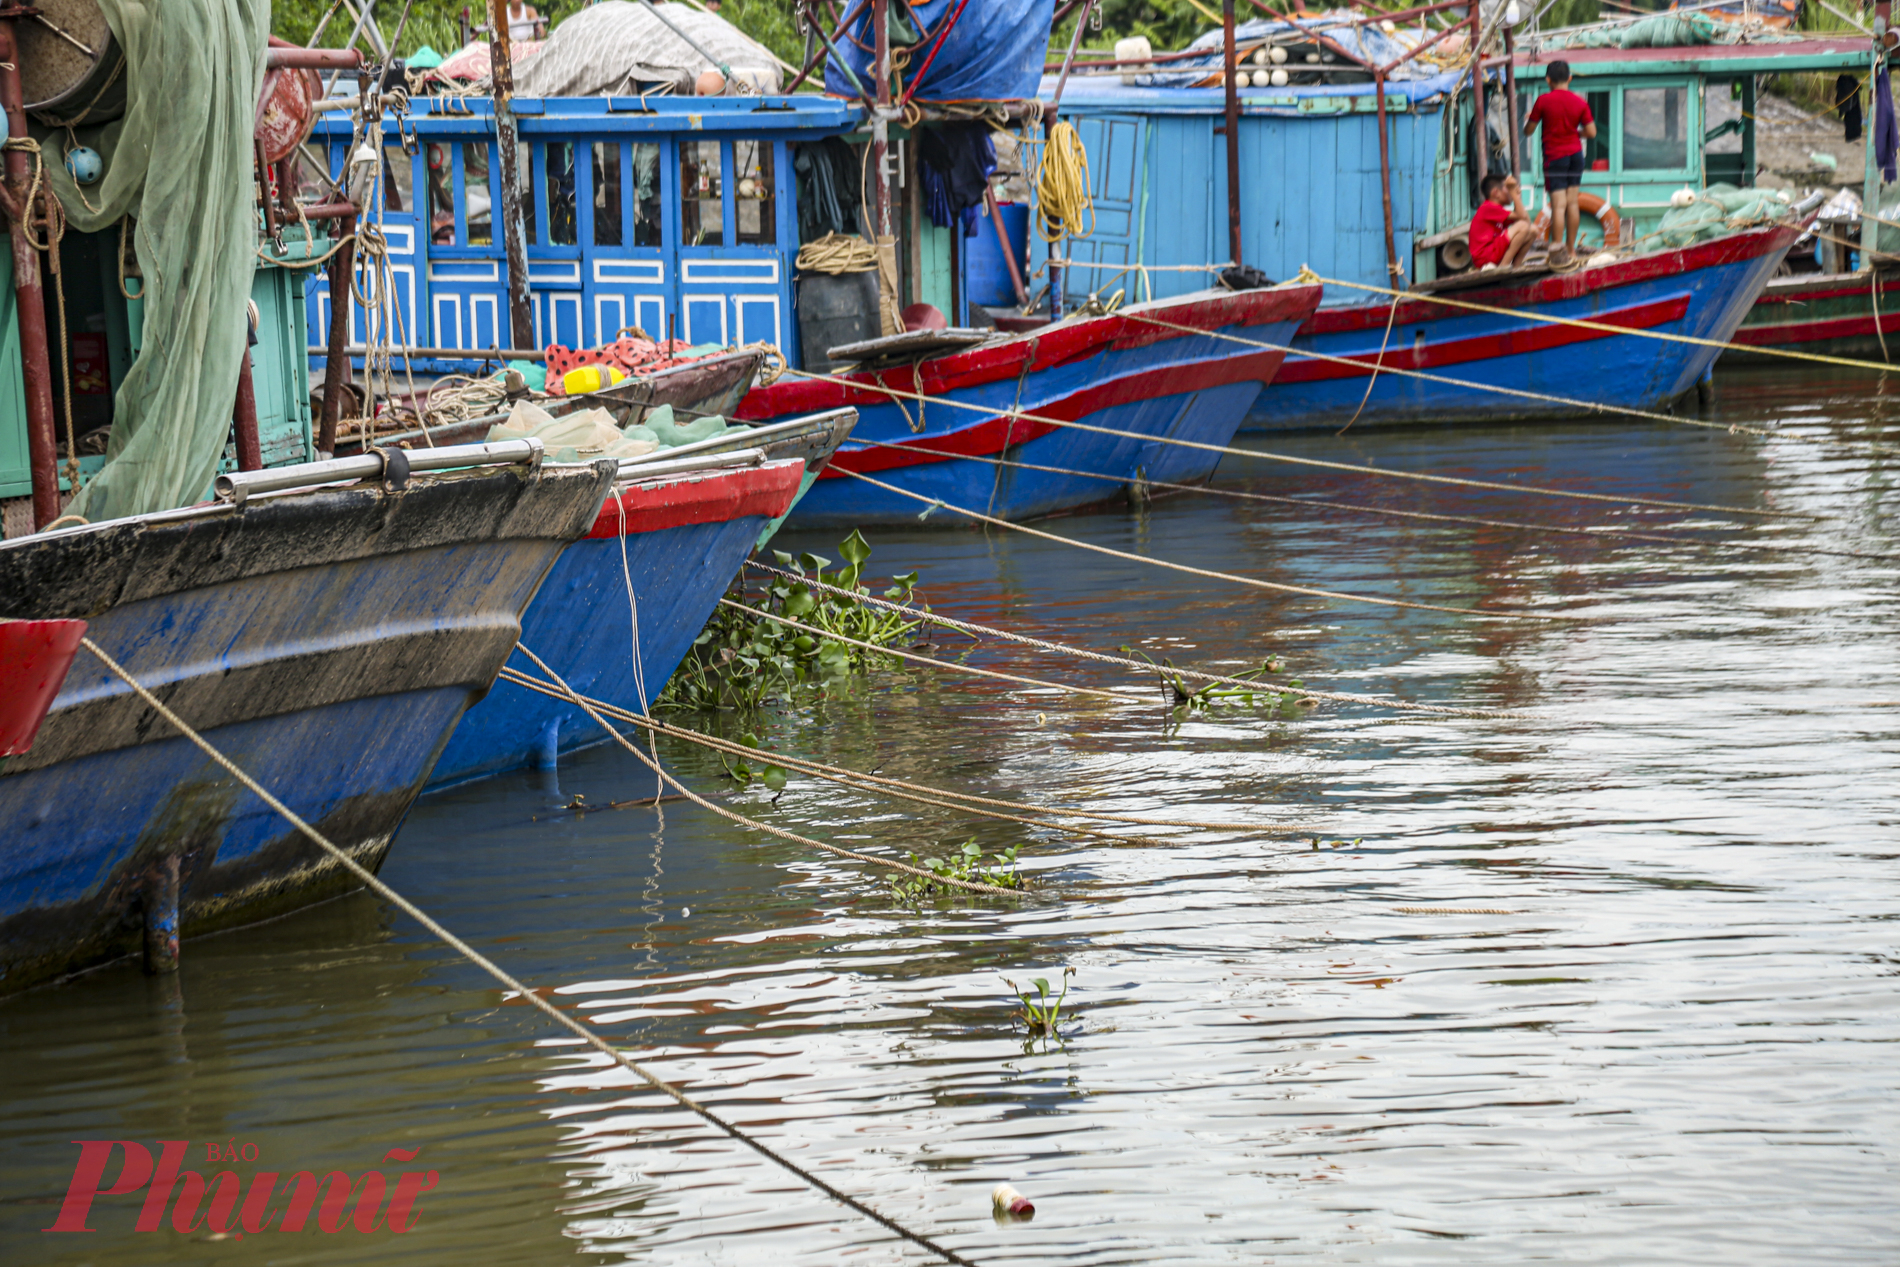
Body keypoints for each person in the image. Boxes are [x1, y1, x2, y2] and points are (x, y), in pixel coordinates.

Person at [1523, 59, 1596, 268]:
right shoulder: (1580, 102)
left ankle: (1557, 248)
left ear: (1548, 80)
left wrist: (1530, 120)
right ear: (1570, 79)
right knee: (1572, 202)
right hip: (1576, 156)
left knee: (1558, 205)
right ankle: (1571, 249)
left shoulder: (1543, 101)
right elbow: (1591, 133)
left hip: (1555, 158)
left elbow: (1528, 131)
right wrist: (1574, 132)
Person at [1468, 172, 1532, 271]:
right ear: (1496, 193)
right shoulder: (1488, 207)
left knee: (1533, 230)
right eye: (1508, 189)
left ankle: (1516, 266)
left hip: (1493, 252)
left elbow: (1527, 221)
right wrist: (1514, 194)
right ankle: (1504, 266)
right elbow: (1522, 220)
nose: (1510, 193)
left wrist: (1517, 197)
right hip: (1485, 256)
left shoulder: (1498, 210)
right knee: (1522, 226)